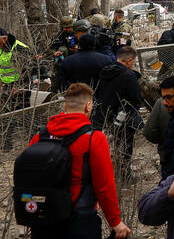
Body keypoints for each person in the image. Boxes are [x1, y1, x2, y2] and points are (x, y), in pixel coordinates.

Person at [25, 83, 130, 238]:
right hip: (80, 219)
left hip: (43, 218)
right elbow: (104, 185)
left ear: (65, 106)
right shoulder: (94, 139)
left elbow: (29, 177)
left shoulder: (39, 136)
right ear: (88, 106)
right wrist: (115, 221)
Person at [92, 46, 143, 177]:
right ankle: (124, 174)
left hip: (103, 114)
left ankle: (107, 172)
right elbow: (136, 98)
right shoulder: (129, 75)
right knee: (125, 146)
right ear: (129, 60)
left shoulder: (103, 72)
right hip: (123, 116)